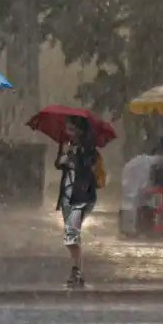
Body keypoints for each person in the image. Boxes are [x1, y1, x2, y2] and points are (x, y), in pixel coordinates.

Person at [56, 116, 99, 288]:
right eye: (67, 129)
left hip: (81, 196)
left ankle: (77, 271)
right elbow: (58, 165)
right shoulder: (67, 146)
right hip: (67, 196)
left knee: (71, 234)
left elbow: (88, 166)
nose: (69, 133)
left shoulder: (87, 148)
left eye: (72, 129)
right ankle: (77, 270)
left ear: (81, 131)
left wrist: (74, 157)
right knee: (72, 234)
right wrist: (63, 157)